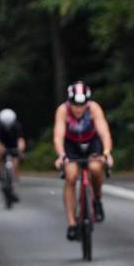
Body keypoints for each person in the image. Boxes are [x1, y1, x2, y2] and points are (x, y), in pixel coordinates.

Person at [53, 81, 114, 241]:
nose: (78, 108)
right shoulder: (62, 110)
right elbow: (58, 135)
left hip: (91, 142)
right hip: (71, 144)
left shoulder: (94, 108)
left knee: (95, 168)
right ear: (69, 102)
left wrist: (107, 153)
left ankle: (97, 200)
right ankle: (72, 223)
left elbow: (104, 132)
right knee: (71, 175)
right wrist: (61, 155)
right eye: (74, 104)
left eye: (82, 105)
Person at [0, 109, 25, 191]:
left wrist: (20, 150)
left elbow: (20, 140)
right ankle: (0, 172)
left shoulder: (17, 126)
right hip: (3, 145)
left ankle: (15, 178)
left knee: (16, 162)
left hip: (14, 145)